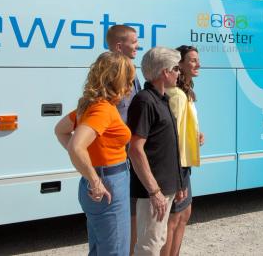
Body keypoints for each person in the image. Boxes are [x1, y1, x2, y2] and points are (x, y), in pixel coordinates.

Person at [54, 51, 135, 256]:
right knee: (115, 251)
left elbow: (61, 131)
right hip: (109, 182)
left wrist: (89, 170)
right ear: (118, 80)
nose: (131, 87)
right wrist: (95, 180)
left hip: (102, 181)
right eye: (129, 80)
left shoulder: (89, 106)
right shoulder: (102, 109)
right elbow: (76, 146)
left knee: (100, 249)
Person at [127, 47, 187, 255]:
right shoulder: (144, 101)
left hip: (166, 187)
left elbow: (169, 146)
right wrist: (154, 191)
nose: (179, 73)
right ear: (164, 72)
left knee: (158, 240)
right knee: (148, 246)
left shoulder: (162, 99)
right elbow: (135, 149)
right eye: (176, 68)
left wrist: (179, 183)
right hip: (152, 191)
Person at [161, 45, 205, 256]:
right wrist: (178, 177)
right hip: (178, 165)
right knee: (174, 218)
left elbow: (183, 128)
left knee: (184, 214)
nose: (198, 64)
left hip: (183, 163)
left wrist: (195, 135)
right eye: (193, 60)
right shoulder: (177, 95)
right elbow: (172, 136)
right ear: (179, 65)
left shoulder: (185, 92)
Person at [106, 24, 141, 255]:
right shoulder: (115, 74)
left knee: (132, 213)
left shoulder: (130, 69)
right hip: (121, 157)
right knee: (123, 218)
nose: (137, 46)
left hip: (128, 155)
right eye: (134, 42)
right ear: (120, 46)